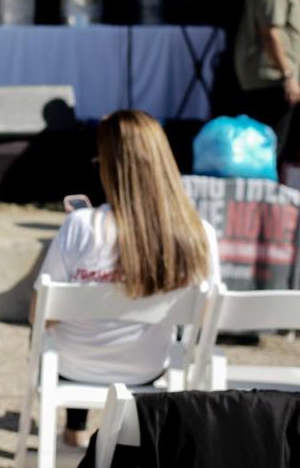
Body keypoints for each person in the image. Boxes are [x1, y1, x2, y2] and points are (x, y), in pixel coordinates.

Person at [32, 109, 220, 448]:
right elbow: (205, 317)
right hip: (148, 367)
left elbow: (39, 314)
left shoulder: (81, 226)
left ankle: (76, 429)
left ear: (107, 165)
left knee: (67, 330)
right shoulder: (199, 235)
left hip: (74, 365)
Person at [233, 0, 300, 164]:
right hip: (271, 81)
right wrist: (288, 74)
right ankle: (262, 200)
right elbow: (270, 33)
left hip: (275, 79)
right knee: (267, 152)